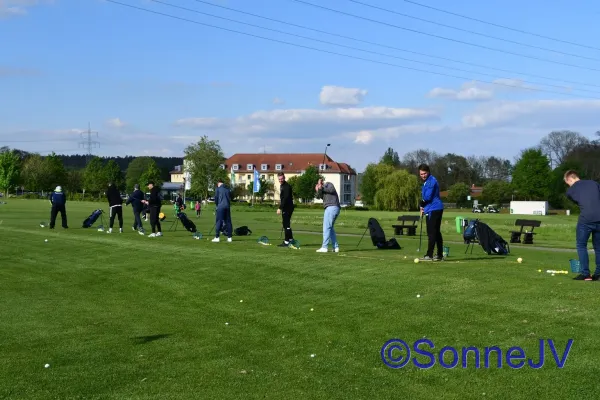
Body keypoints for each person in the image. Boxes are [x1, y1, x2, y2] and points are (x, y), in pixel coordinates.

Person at [564, 170, 600, 281]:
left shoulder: (570, 191)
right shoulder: (594, 183)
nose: (568, 185)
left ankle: (586, 274)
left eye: (568, 183)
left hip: (586, 219)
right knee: (598, 248)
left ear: (570, 179)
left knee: (581, 245)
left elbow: (578, 201)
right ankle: (598, 274)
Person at [418, 164, 444, 261]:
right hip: (432, 208)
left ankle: (429, 254)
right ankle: (440, 254)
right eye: (421, 174)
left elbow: (427, 197)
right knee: (436, 232)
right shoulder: (427, 182)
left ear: (428, 172)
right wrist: (422, 207)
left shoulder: (430, 181)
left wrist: (421, 204)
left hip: (434, 208)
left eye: (424, 173)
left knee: (432, 232)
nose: (423, 175)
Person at [315, 178, 340, 253]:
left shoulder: (328, 184)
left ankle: (324, 247)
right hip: (333, 208)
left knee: (326, 228)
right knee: (330, 228)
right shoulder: (323, 192)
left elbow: (331, 190)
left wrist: (321, 186)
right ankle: (335, 247)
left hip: (331, 208)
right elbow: (318, 196)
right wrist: (319, 189)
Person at [277, 172, 295, 247]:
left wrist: (279, 208)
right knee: (285, 224)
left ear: (284, 178)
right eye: (279, 179)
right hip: (287, 207)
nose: (280, 180)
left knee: (286, 224)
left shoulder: (286, 187)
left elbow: (286, 198)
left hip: (288, 208)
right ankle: (291, 239)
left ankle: (286, 241)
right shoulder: (282, 186)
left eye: (282, 179)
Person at [212, 178, 232, 242]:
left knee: (219, 221)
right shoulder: (228, 189)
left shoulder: (218, 189)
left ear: (218, 183)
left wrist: (217, 206)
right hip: (227, 207)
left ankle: (217, 237)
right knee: (228, 222)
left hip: (221, 207)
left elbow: (216, 199)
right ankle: (229, 237)